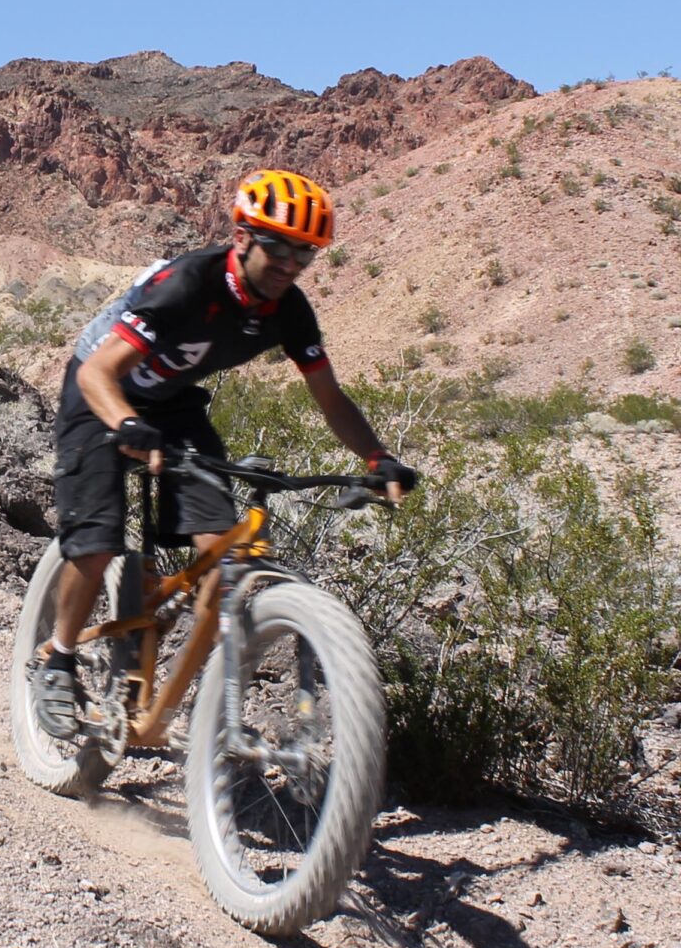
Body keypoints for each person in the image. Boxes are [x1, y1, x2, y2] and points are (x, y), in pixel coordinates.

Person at [34, 169, 417, 738]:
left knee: (221, 553)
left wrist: (376, 458)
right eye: (279, 247)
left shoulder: (289, 310)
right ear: (242, 237)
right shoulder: (186, 284)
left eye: (305, 255)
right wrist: (126, 423)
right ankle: (58, 659)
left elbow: (331, 398)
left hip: (171, 402)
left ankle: (175, 673)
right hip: (101, 396)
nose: (290, 264)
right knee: (95, 545)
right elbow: (96, 372)